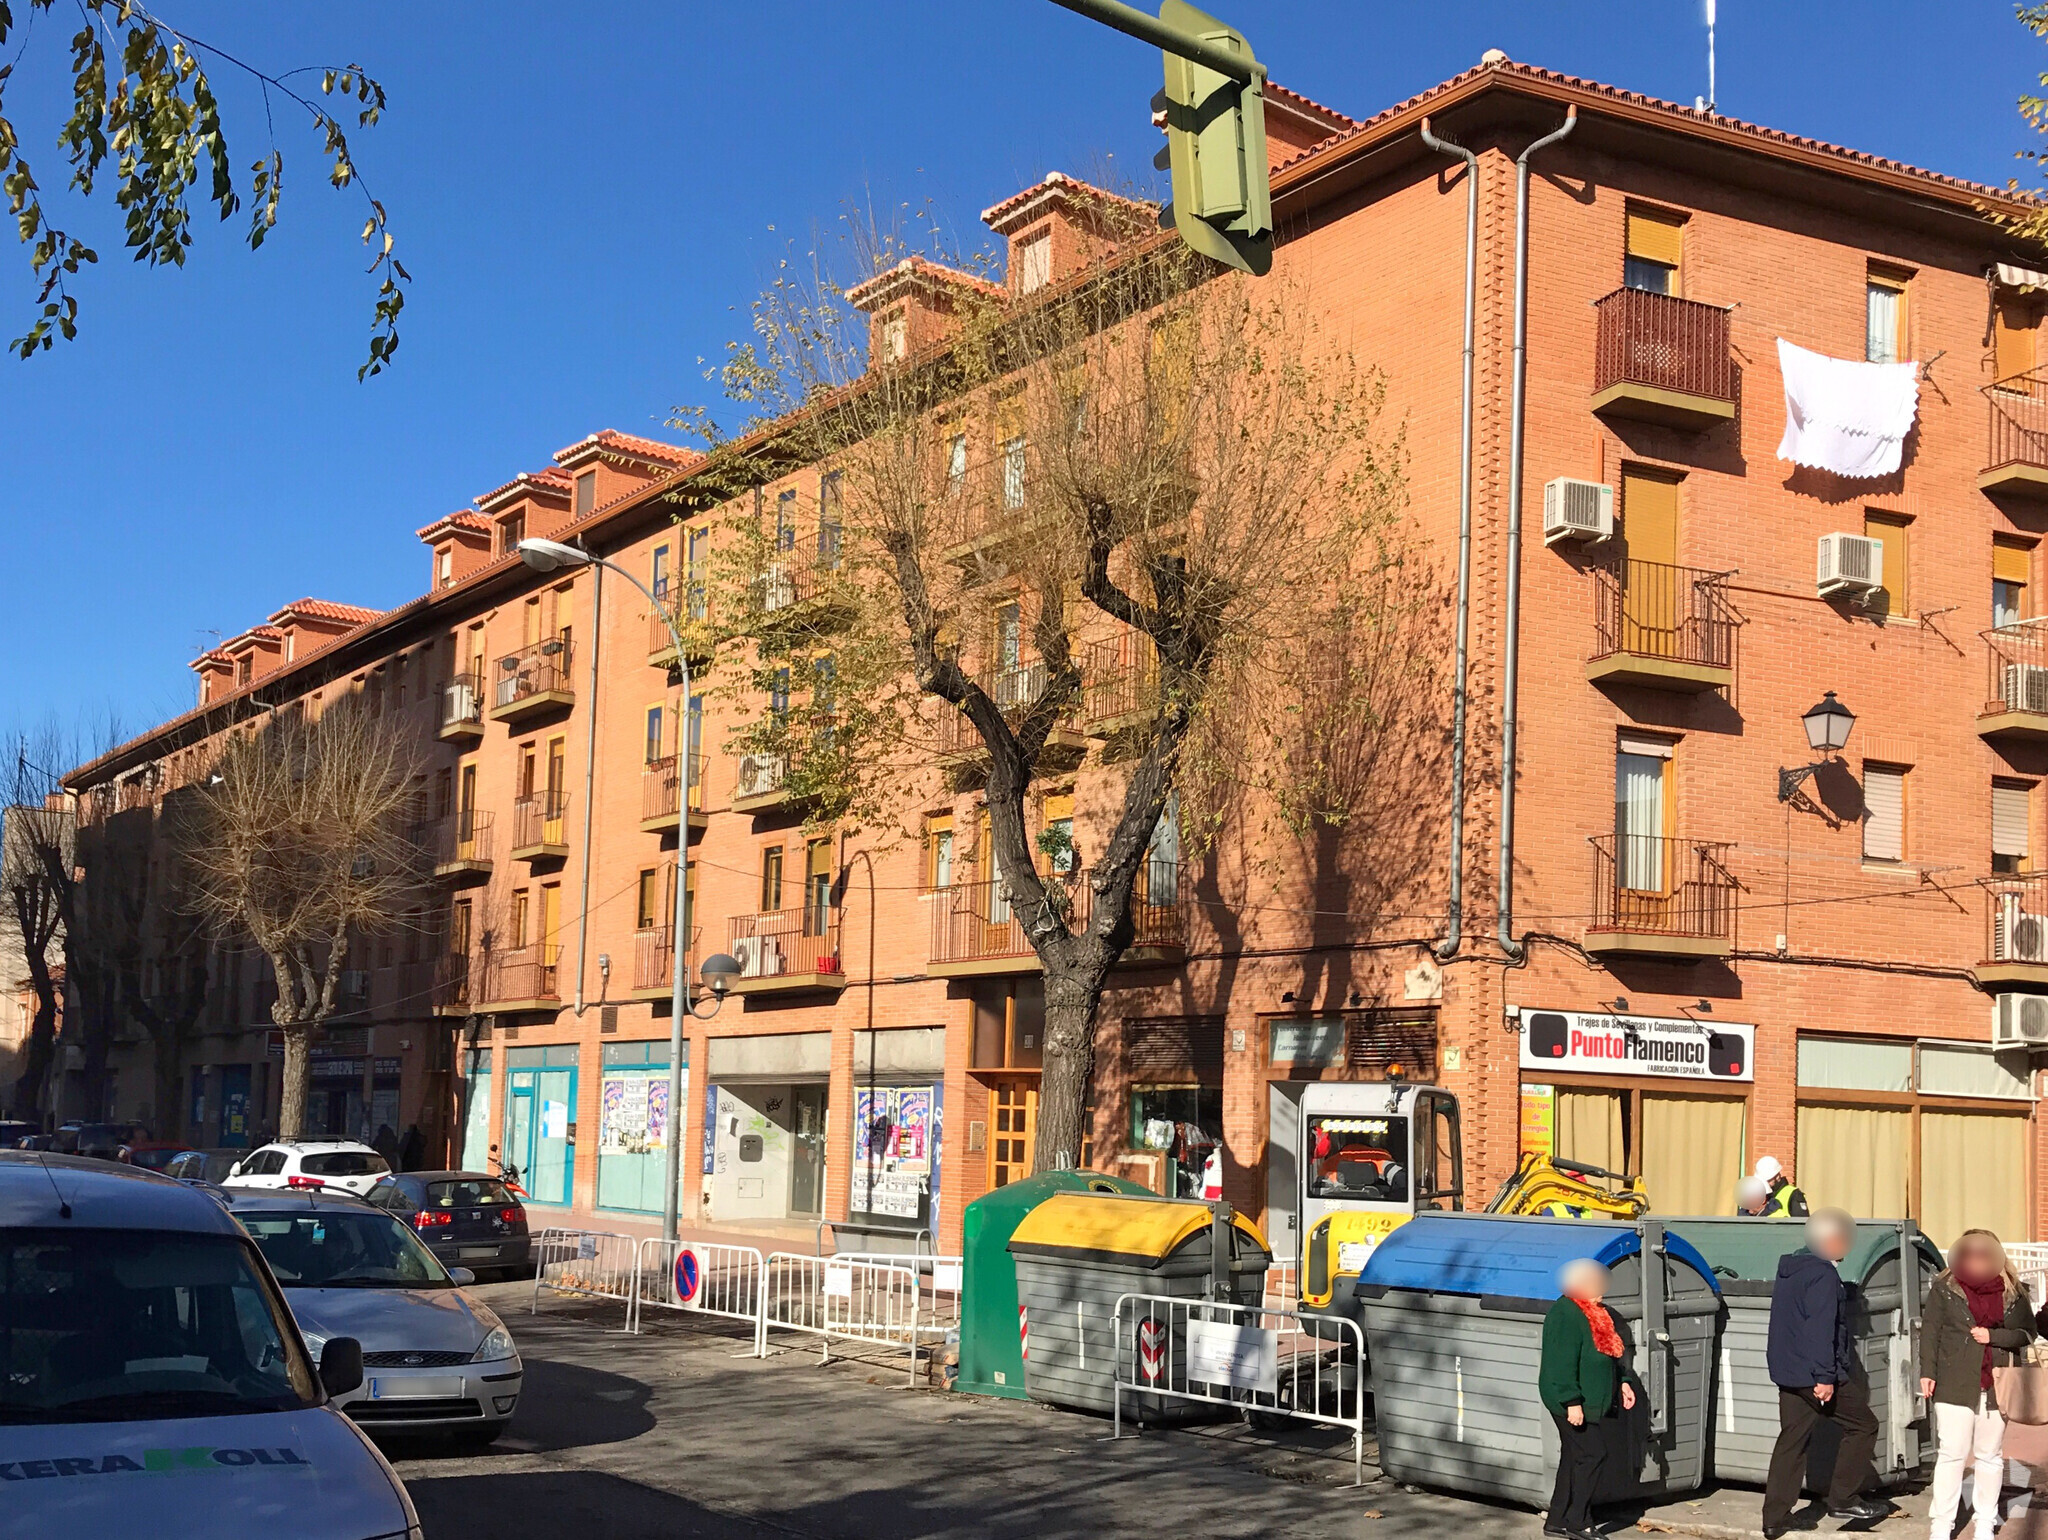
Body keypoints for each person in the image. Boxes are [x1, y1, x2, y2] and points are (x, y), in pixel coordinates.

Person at [1763, 1208, 1886, 1538]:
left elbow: (1787, 1325)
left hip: (1789, 1372)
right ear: (1829, 1240)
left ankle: (1775, 1518)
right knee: (1863, 1426)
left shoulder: (1790, 1270)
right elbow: (1821, 1329)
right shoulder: (1822, 1276)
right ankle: (1843, 1498)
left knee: (1793, 1440)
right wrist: (1825, 1377)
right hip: (1814, 1373)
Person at [1922, 1229, 2037, 1540]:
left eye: (1982, 1254)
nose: (1975, 1260)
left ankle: (1985, 1521)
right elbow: (1930, 1331)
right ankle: (1941, 1525)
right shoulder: (1945, 1288)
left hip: (1997, 1383)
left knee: (1989, 1456)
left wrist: (1993, 1336)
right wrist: (1927, 1372)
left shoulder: (2013, 1292)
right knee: (1951, 1455)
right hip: (1953, 1381)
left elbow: (2028, 1333)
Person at [1539, 1257, 1638, 1540]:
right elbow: (1560, 1364)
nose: (1602, 1290)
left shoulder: (1595, 1311)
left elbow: (1609, 1355)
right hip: (1569, 1399)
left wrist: (1624, 1383)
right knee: (1593, 1454)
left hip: (1588, 1399)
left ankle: (1557, 1519)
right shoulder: (1566, 1313)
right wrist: (1572, 1402)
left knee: (1575, 1457)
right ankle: (1579, 1521)